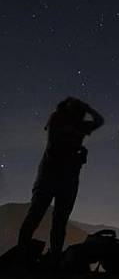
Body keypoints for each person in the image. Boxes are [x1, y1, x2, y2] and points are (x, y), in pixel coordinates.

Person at [18, 97, 104, 261]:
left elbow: (99, 121)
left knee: (59, 220)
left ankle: (54, 258)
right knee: (37, 215)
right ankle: (22, 256)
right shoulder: (57, 118)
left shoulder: (79, 125)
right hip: (51, 175)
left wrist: (87, 106)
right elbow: (53, 148)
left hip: (67, 177)